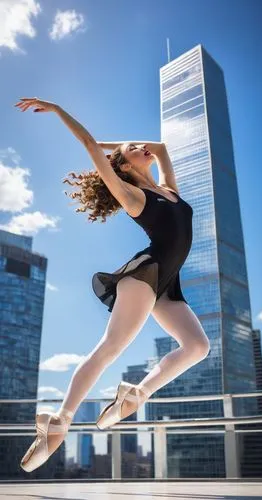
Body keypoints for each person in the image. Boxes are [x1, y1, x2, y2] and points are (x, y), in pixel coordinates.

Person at [14, 97, 210, 472]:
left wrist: (120, 148)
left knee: (198, 346)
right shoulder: (133, 196)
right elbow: (90, 147)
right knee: (111, 348)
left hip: (167, 282)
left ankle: (134, 395)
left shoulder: (170, 189)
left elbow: (164, 146)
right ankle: (60, 423)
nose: (142, 147)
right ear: (120, 167)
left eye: (138, 146)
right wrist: (59, 110)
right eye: (132, 151)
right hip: (145, 275)